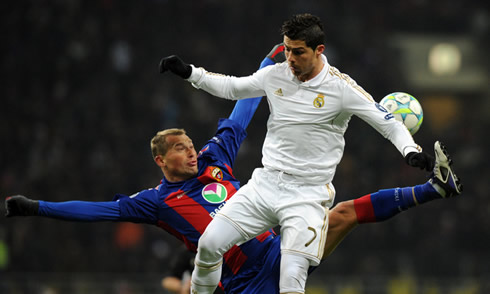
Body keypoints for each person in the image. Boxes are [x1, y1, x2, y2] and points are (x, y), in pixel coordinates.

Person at [5, 44, 462, 294]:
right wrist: (36, 208)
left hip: (278, 248)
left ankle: (434, 190)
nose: (191, 152)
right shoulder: (155, 202)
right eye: (181, 149)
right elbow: (97, 211)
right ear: (161, 161)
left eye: (189, 144)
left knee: (341, 214)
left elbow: (241, 113)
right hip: (242, 282)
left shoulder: (215, 158)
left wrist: (267, 65)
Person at [158, 13, 462, 294]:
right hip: (265, 185)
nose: (290, 58)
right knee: (209, 245)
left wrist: (411, 151)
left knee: (291, 279)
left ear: (319, 50)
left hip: (307, 196)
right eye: (287, 49)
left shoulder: (341, 89)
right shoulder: (276, 75)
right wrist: (189, 73)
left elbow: (387, 123)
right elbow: (233, 87)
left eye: (298, 51)